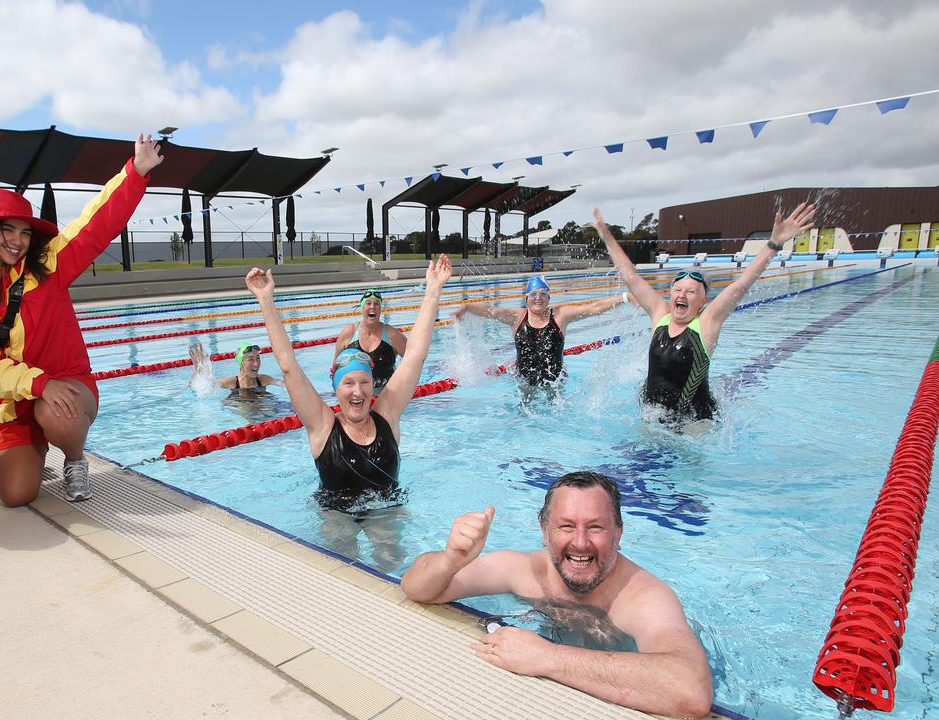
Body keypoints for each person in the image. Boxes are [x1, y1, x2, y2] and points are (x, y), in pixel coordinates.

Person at [0, 138, 163, 505]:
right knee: (16, 495)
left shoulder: (50, 265)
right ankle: (34, 448)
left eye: (25, 232)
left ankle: (74, 459)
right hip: (14, 402)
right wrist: (37, 383)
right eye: (7, 230)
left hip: (67, 387)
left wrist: (135, 172)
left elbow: (95, 225)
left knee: (59, 415)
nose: (17, 241)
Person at [400, 471, 713, 718]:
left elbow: (691, 689)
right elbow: (416, 588)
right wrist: (451, 559)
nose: (580, 542)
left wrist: (545, 657)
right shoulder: (522, 570)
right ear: (544, 529)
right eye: (566, 526)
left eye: (595, 527)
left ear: (619, 532)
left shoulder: (643, 596)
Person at [245, 256, 452, 569]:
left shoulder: (387, 415)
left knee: (390, 559)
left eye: (364, 382)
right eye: (349, 383)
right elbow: (288, 367)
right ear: (336, 389)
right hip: (336, 512)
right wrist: (266, 300)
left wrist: (433, 291)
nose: (358, 392)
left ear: (373, 384)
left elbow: (414, 358)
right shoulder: (321, 426)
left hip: (385, 508)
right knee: (344, 559)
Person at [596, 204, 815, 423]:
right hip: (651, 414)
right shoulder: (660, 315)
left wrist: (774, 243)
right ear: (671, 294)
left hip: (694, 421)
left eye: (691, 291)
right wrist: (607, 237)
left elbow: (740, 286)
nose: (682, 295)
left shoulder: (706, 323)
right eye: (678, 289)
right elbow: (631, 278)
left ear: (703, 300)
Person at [454, 275, 628, 385]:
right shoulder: (517, 317)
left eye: (543, 293)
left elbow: (593, 308)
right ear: (527, 298)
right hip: (523, 380)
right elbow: (491, 311)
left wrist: (625, 297)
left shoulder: (560, 316)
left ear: (549, 297)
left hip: (555, 381)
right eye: (534, 294)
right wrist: (468, 307)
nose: (538, 298)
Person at [332, 289, 407, 392]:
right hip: (356, 396)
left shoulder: (391, 334)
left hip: (386, 396)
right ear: (362, 308)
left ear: (380, 309)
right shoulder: (349, 333)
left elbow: (414, 359)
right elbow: (335, 368)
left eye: (376, 304)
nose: (372, 307)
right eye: (368, 303)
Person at [188, 341, 280, 398]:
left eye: (258, 358)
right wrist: (198, 370)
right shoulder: (231, 382)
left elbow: (286, 383)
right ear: (241, 362)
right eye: (250, 359)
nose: (256, 364)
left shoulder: (264, 379)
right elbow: (199, 387)